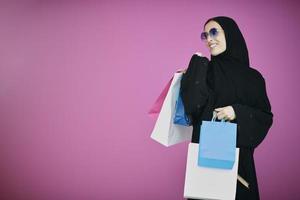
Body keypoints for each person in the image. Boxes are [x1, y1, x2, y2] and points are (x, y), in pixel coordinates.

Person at [180, 16, 273, 200]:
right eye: (205, 35)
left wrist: (237, 111)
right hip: (204, 159)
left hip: (239, 164)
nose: (209, 39)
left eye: (214, 32)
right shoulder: (204, 70)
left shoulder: (252, 78)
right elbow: (192, 108)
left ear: (230, 34)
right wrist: (193, 74)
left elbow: (264, 117)